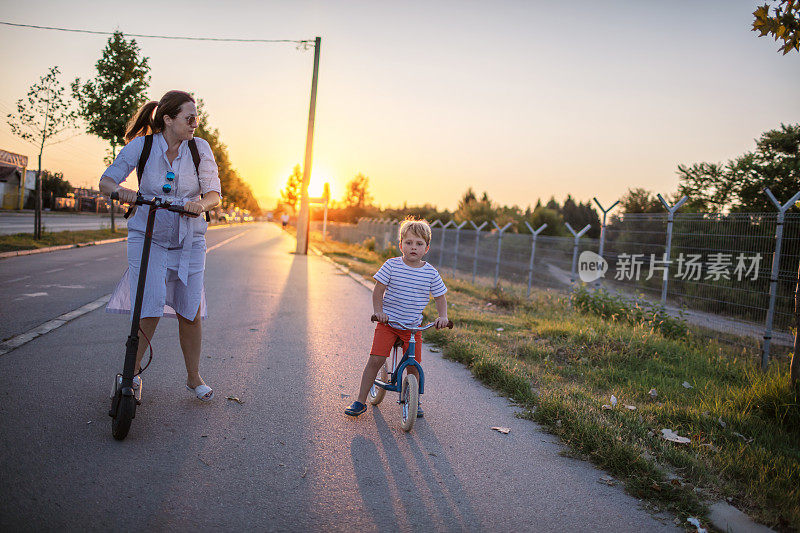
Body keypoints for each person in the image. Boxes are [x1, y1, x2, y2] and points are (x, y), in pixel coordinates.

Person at [99, 90, 221, 402]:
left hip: (189, 239)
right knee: (149, 305)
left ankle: (194, 378)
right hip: (148, 235)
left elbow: (214, 195)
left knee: (190, 311)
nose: (195, 123)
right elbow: (107, 181)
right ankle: (131, 375)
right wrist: (122, 192)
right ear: (168, 119)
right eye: (189, 118)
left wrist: (199, 204)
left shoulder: (200, 149)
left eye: (197, 118)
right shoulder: (142, 146)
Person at [345, 217, 449, 418]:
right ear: (400, 244)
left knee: (413, 365)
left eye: (419, 244)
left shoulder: (430, 273)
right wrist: (379, 311)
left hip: (412, 328)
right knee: (376, 359)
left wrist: (442, 316)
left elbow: (440, 297)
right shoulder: (391, 266)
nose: (413, 248)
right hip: (389, 323)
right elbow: (378, 291)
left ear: (426, 248)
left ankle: (414, 401)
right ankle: (360, 400)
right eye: (409, 243)